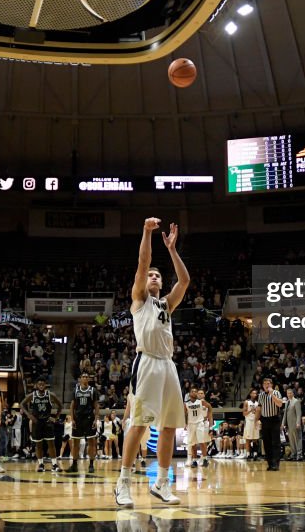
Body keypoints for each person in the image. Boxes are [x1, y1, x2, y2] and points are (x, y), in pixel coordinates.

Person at [115, 217, 190, 508]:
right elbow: (143, 263)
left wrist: (172, 249)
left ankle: (161, 482)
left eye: (158, 276)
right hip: (146, 362)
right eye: (152, 276)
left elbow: (184, 281)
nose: (155, 277)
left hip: (168, 364)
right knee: (139, 423)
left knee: (169, 425)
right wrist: (147, 232)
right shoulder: (139, 299)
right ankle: (123, 483)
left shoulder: (166, 304)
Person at [21, 378, 62, 472]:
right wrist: (29, 415)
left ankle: (54, 464)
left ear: (45, 385)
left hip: (47, 422)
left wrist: (55, 417)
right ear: (36, 385)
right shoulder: (32, 395)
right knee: (38, 444)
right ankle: (40, 464)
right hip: (37, 422)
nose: (41, 386)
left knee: (51, 444)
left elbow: (60, 405)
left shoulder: (50, 395)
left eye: (43, 384)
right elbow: (22, 404)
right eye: (39, 384)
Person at [67, 372, 98, 473]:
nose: (85, 378)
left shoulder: (93, 390)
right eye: (83, 377)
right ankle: (74, 465)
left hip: (89, 418)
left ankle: (91, 464)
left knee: (91, 443)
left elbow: (96, 406)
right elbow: (72, 405)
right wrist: (72, 419)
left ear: (88, 379)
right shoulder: (75, 390)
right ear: (80, 379)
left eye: (86, 377)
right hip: (78, 418)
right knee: (75, 443)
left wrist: (96, 419)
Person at [259, 377, 284, 471]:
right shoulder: (261, 395)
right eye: (265, 383)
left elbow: (280, 404)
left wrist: (272, 394)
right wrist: (257, 420)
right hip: (265, 420)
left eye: (268, 383)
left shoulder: (276, 393)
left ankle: (276, 464)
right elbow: (259, 408)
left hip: (274, 420)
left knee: (276, 443)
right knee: (266, 443)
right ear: (263, 385)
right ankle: (270, 463)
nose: (266, 385)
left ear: (271, 385)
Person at [184, 387, 212, 468]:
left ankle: (205, 459)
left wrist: (208, 417)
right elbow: (185, 414)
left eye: (195, 391)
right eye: (192, 391)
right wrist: (185, 424)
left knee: (202, 442)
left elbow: (209, 407)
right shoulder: (186, 403)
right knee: (193, 444)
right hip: (190, 424)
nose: (194, 392)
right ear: (189, 394)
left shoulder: (201, 401)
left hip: (199, 423)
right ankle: (194, 460)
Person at [241, 388, 261, 460]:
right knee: (248, 439)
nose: (254, 394)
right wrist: (250, 411)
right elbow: (244, 413)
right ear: (250, 394)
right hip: (249, 421)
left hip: (255, 421)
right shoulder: (246, 402)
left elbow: (259, 413)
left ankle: (255, 454)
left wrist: (258, 417)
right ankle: (248, 454)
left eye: (255, 393)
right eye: (253, 393)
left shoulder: (258, 403)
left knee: (255, 439)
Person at [283, 388, 303, 461]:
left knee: (297, 439)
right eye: (288, 393)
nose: (289, 394)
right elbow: (285, 414)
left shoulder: (296, 401)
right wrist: (283, 424)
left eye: (290, 393)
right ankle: (293, 454)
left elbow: (298, 414)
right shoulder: (287, 402)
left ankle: (299, 454)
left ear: (293, 393)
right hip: (289, 424)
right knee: (291, 440)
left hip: (295, 424)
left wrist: (298, 423)